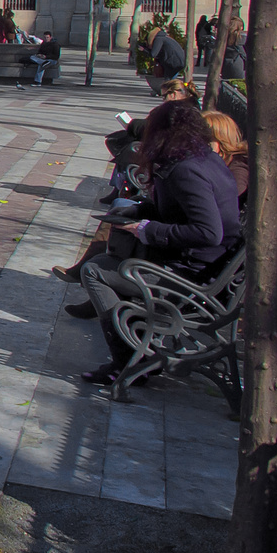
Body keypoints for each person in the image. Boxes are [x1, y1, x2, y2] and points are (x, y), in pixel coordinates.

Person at [67, 102, 241, 388]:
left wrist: (147, 229)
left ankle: (128, 360)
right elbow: (187, 211)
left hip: (192, 277)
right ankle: (135, 350)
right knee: (111, 262)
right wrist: (140, 211)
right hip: (207, 267)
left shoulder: (187, 170)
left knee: (96, 270)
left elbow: (208, 232)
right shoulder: (206, 158)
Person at [202, 110, 250, 206]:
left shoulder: (238, 167)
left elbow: (233, 201)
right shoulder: (215, 163)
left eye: (205, 139)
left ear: (221, 141)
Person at [145, 24, 186, 93]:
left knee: (168, 79)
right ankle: (169, 91)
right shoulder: (165, 38)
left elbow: (153, 54)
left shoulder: (159, 39)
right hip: (179, 61)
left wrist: (144, 50)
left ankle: (168, 92)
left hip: (173, 62)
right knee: (170, 79)